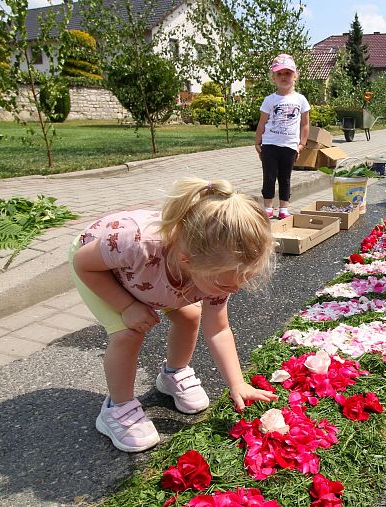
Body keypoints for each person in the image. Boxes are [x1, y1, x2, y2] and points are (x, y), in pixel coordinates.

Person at [71, 178, 279, 452]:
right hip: (104, 271)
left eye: (243, 280)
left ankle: (173, 373)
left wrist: (237, 382)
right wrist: (127, 306)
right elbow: (83, 264)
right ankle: (116, 408)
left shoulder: (221, 268)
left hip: (155, 280)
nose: (235, 290)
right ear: (188, 261)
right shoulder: (136, 243)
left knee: (190, 316)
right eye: (227, 284)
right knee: (128, 333)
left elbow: (217, 329)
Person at [255, 53, 310, 220]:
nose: (283, 77)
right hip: (270, 144)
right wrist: (258, 141)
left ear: (295, 76)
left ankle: (284, 208)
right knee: (269, 176)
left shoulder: (300, 100)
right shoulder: (269, 100)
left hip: (289, 145)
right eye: (279, 74)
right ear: (274, 77)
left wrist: (301, 145)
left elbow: (305, 124)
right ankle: (268, 207)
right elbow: (262, 122)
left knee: (285, 178)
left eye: (287, 73)